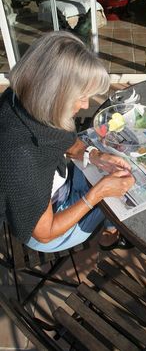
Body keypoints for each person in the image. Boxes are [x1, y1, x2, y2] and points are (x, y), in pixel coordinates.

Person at [0, 31, 135, 252]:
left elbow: (63, 141)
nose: (85, 105)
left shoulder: (21, 98)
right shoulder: (20, 159)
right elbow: (45, 233)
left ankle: (110, 224)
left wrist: (95, 156)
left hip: (54, 189)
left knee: (114, 163)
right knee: (119, 196)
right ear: (52, 95)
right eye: (81, 96)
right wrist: (98, 194)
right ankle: (110, 235)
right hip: (50, 229)